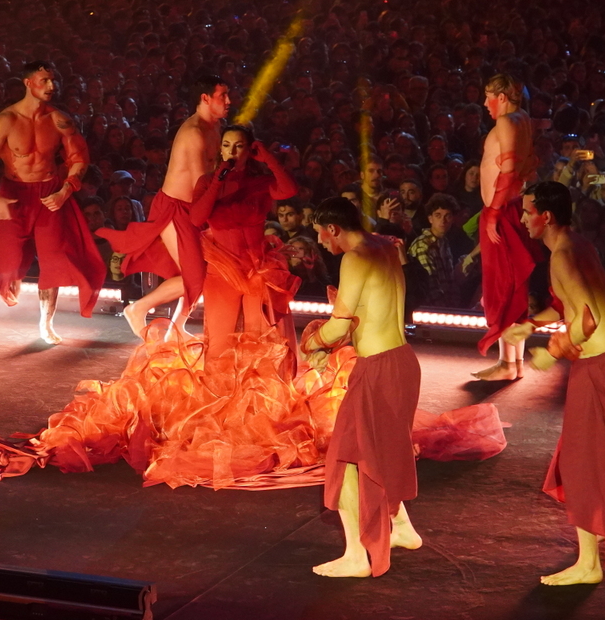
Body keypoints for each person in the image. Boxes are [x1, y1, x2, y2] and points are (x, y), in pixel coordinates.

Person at [503, 181, 605, 585]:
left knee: (582, 460)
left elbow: (587, 320)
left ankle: (589, 565)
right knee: (595, 450)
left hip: (599, 365)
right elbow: (570, 302)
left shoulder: (564, 255)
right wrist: (529, 325)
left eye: (526, 212)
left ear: (545, 216)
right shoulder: (575, 244)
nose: (521, 219)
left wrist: (549, 352)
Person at [305, 196, 421, 578]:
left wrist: (312, 343)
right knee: (381, 450)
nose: (322, 244)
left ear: (333, 228)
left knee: (346, 458)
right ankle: (402, 527)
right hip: (403, 363)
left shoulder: (353, 257)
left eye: (321, 235)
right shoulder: (385, 247)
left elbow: (340, 324)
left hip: (379, 369)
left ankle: (356, 555)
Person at [0, 61, 105, 345]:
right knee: (8, 263)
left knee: (55, 259)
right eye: (44, 80)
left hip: (49, 193)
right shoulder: (6, 120)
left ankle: (46, 323)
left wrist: (65, 191)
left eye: (53, 80)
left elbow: (79, 159)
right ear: (29, 83)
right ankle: (3, 278)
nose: (52, 86)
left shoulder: (59, 120)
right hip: (15, 193)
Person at [99, 76, 227, 337]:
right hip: (177, 209)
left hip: (195, 207)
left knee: (201, 274)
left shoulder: (215, 127)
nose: (228, 101)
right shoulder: (193, 134)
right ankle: (138, 309)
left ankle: (177, 327)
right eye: (222, 95)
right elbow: (200, 186)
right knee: (195, 276)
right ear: (205, 98)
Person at [189, 124, 299, 375]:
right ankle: (220, 394)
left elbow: (290, 189)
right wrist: (219, 179)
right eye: (227, 145)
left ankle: (259, 396)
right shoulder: (207, 181)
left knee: (260, 333)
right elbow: (196, 218)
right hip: (222, 268)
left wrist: (269, 158)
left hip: (257, 267)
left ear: (249, 149)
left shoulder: (259, 181)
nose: (232, 151)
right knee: (220, 337)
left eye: (239, 146)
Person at [473, 74, 540, 381]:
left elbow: (509, 169)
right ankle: (512, 362)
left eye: (488, 96)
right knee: (512, 285)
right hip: (512, 207)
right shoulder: (523, 118)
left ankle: (506, 363)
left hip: (502, 211)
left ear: (501, 96)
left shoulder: (506, 121)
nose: (486, 104)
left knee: (503, 286)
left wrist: (493, 213)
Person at [409, 193, 463, 307]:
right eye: (438, 215)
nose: (443, 221)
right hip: (430, 309)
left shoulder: (444, 242)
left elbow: (450, 281)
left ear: (453, 219)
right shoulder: (423, 245)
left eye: (447, 216)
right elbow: (431, 286)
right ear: (430, 218)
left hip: (446, 308)